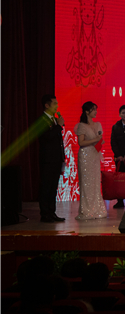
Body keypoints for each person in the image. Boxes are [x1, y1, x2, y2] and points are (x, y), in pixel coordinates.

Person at [36, 94, 67, 222]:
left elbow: (58, 142)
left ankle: (52, 212)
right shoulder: (42, 120)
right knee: (46, 186)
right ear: (47, 105)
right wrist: (59, 126)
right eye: (54, 104)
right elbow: (47, 137)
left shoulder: (54, 119)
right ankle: (45, 214)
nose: (57, 106)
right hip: (47, 160)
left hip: (56, 159)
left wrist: (62, 157)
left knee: (53, 187)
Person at [75, 101, 107, 220]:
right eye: (93, 110)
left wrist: (99, 141)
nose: (95, 112)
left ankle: (97, 208)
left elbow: (99, 140)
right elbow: (81, 142)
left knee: (95, 182)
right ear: (87, 111)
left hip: (95, 154)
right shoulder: (82, 126)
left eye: (96, 109)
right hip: (85, 155)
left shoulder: (98, 124)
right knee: (86, 183)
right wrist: (95, 140)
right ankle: (86, 210)